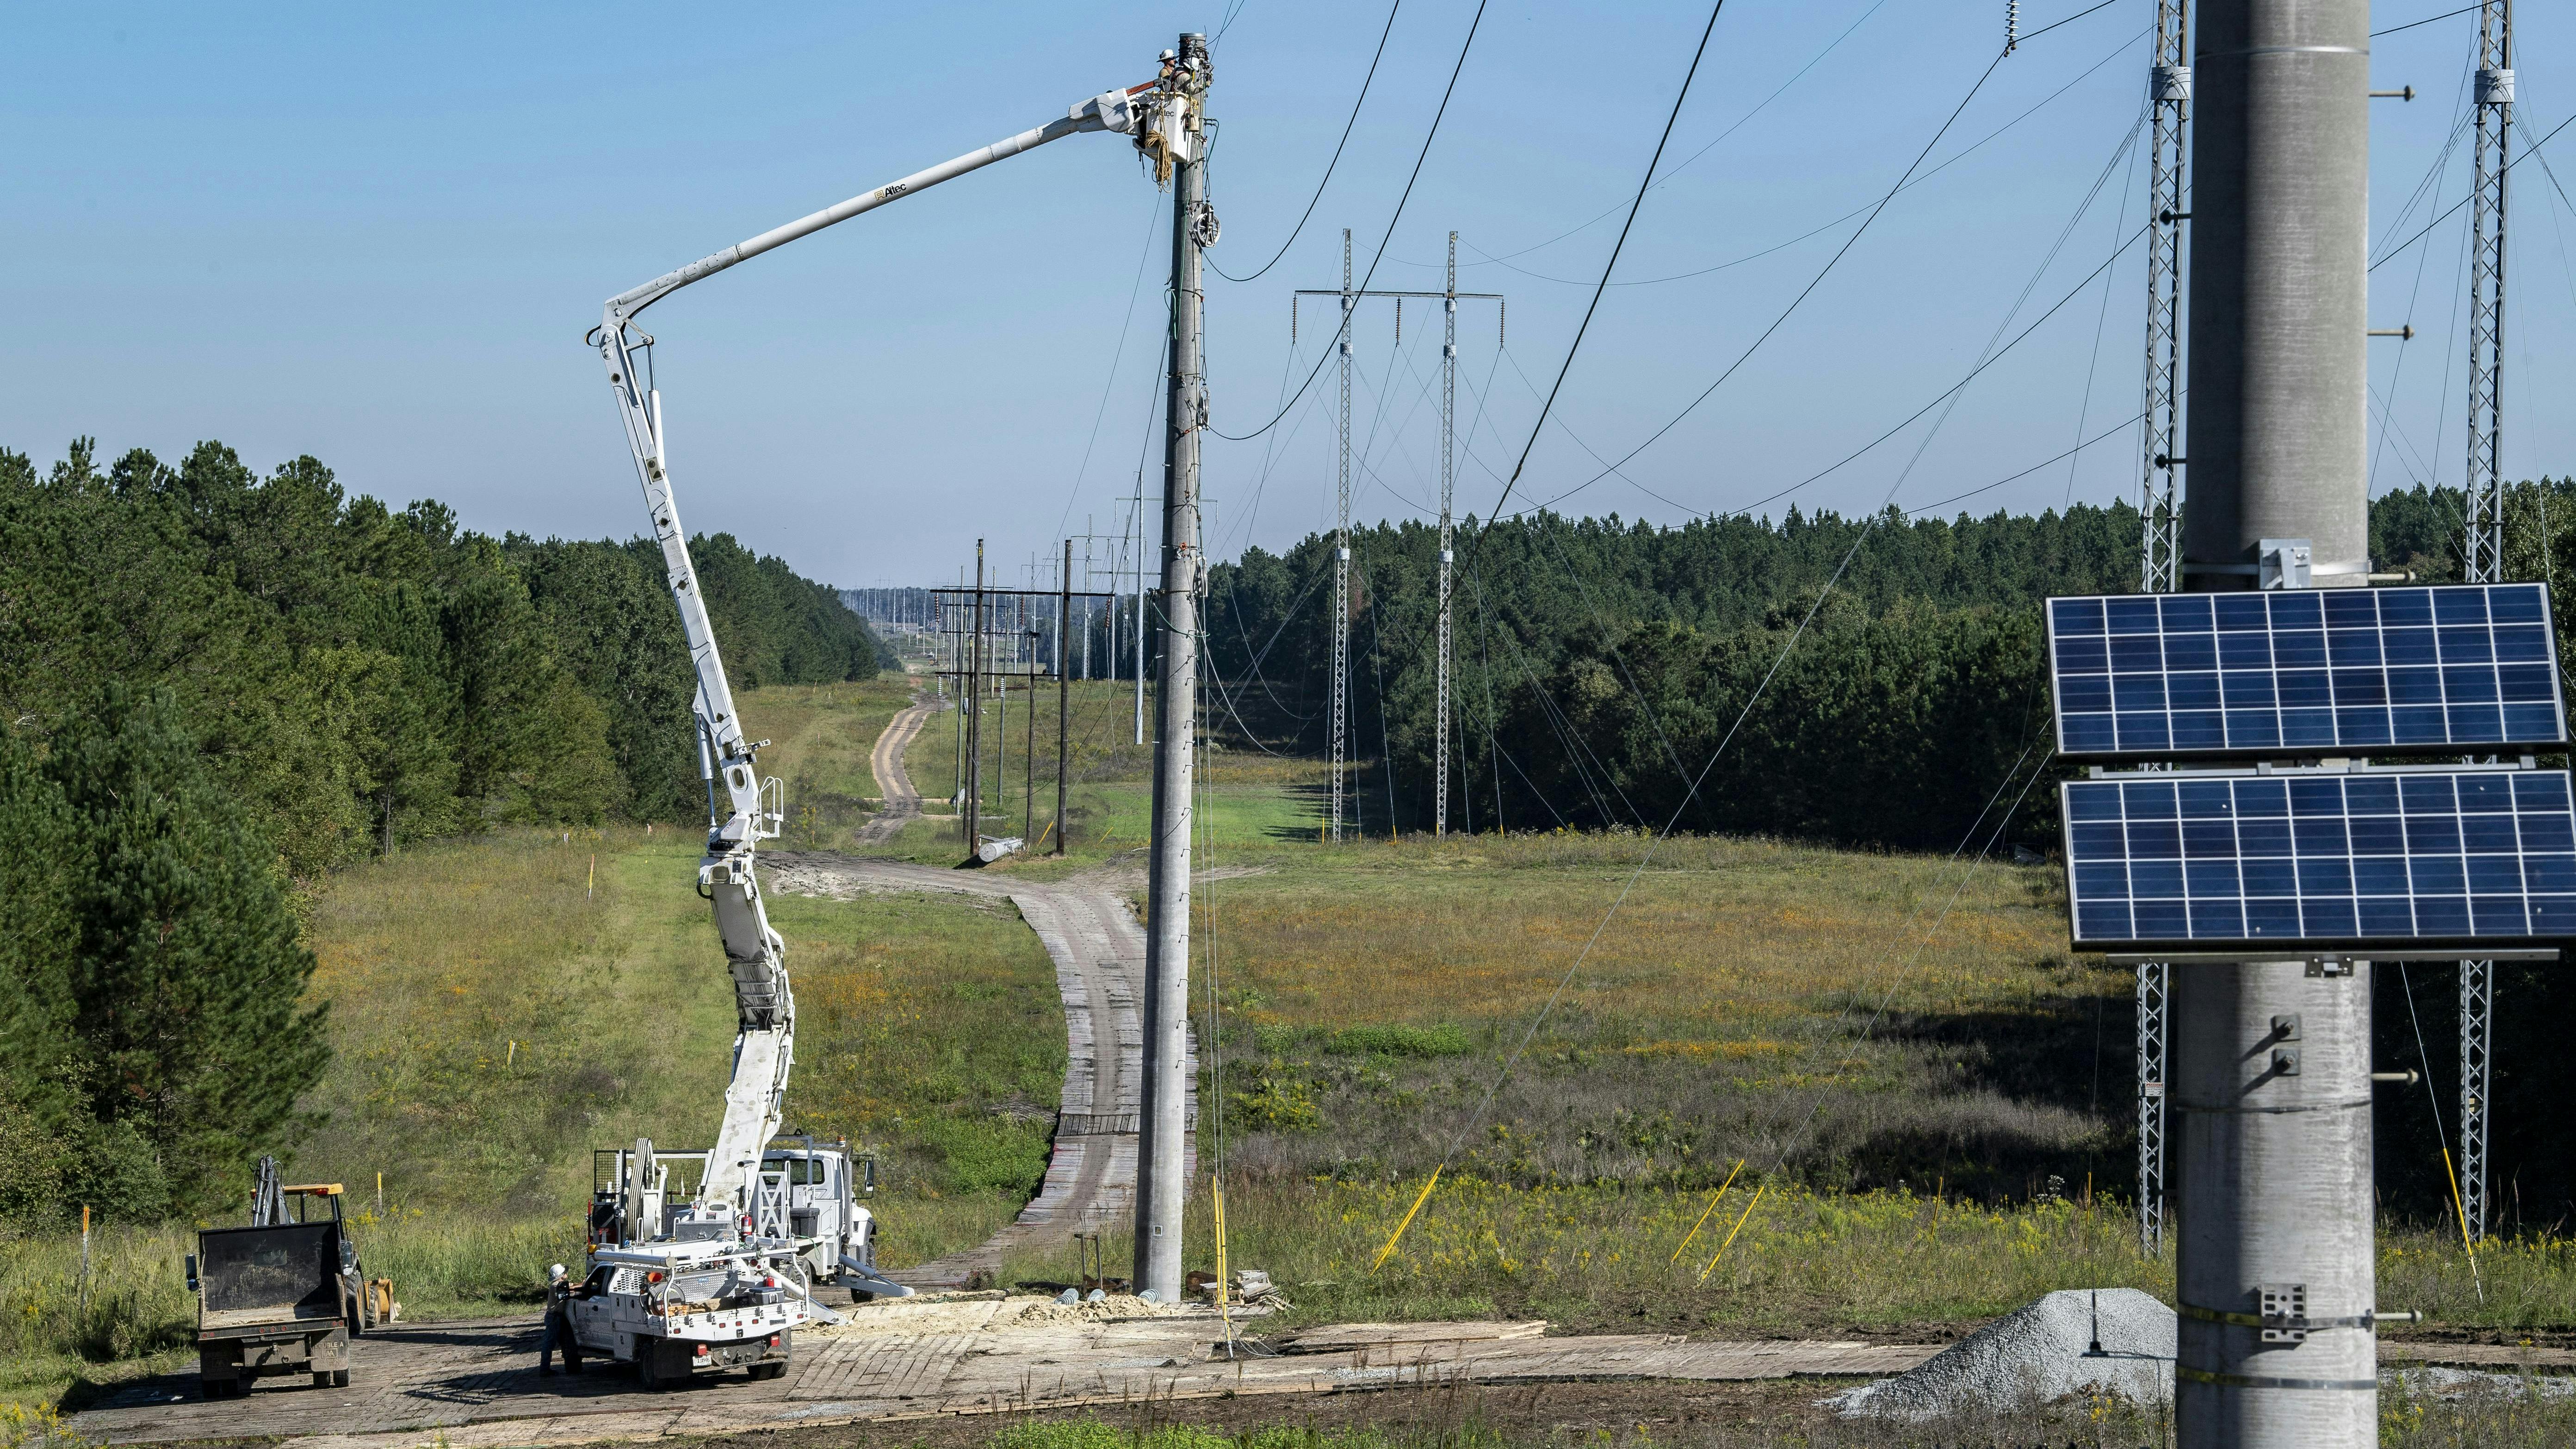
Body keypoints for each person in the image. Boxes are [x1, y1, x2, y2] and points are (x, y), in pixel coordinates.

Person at [538, 1264, 584, 1375]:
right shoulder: (555, 1286)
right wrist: (583, 1284)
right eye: (564, 1272)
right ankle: (545, 1370)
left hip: (557, 1317)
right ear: (560, 1275)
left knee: (558, 1342)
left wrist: (581, 1284)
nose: (566, 1273)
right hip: (554, 1317)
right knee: (549, 1344)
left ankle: (546, 1368)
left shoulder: (559, 1284)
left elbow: (572, 1286)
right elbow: (571, 1288)